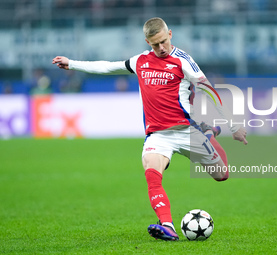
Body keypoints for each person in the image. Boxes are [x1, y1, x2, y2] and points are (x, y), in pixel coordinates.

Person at [52, 17, 248, 241]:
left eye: (164, 41)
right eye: (155, 44)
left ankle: (208, 133)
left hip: (187, 131)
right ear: (147, 41)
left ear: (170, 34)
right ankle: (167, 225)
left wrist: (233, 125)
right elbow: (108, 66)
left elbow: (209, 90)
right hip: (158, 136)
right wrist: (72, 63)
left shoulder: (183, 61)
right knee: (152, 175)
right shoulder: (140, 61)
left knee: (221, 175)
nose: (161, 48)